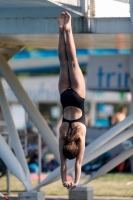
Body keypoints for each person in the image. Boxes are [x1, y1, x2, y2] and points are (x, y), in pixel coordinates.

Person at [58, 12, 86, 190]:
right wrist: (63, 180)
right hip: (64, 98)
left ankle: (69, 29)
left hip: (77, 97)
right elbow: (62, 165)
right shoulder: (62, 133)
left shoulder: (79, 135)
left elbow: (78, 164)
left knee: (73, 62)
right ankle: (61, 30)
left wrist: (75, 182)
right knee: (63, 63)